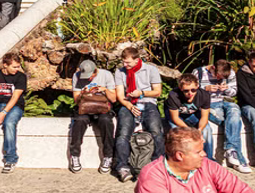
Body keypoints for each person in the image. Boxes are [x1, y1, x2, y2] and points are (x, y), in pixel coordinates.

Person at [134, 127, 255, 193]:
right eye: (198, 152)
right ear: (179, 156)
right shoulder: (153, 176)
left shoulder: (208, 165)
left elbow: (240, 189)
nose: (204, 154)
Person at [114, 47, 164, 182]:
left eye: (128, 63)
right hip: (128, 103)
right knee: (123, 133)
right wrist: (129, 106)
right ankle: (123, 167)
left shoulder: (150, 70)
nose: (125, 65)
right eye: (124, 62)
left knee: (156, 131)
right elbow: (119, 95)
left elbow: (157, 92)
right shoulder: (120, 71)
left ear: (137, 60)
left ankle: (158, 165)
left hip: (148, 102)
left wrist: (141, 93)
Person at [192, 60, 249, 173]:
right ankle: (239, 159)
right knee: (232, 125)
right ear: (212, 67)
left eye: (221, 78)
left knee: (234, 109)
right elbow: (191, 93)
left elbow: (234, 92)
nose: (218, 79)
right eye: (217, 76)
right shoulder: (198, 72)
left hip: (224, 101)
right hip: (207, 104)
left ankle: (230, 149)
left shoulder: (230, 73)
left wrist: (226, 89)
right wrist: (205, 89)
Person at [69, 60, 116, 174]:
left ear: (95, 72)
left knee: (106, 121)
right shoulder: (77, 76)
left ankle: (108, 156)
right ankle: (75, 155)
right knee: (79, 121)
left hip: (102, 108)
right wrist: (82, 93)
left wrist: (104, 90)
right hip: (85, 108)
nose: (87, 79)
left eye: (90, 76)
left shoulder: (106, 75)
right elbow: (76, 100)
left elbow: (113, 99)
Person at [165, 75, 213, 160]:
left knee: (207, 129)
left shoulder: (204, 95)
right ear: (181, 88)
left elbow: (204, 117)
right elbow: (175, 118)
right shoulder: (173, 95)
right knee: (176, 131)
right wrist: (190, 131)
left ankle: (208, 159)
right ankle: (179, 160)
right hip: (176, 116)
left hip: (191, 114)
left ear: (197, 86)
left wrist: (199, 130)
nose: (190, 93)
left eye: (193, 90)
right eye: (186, 91)